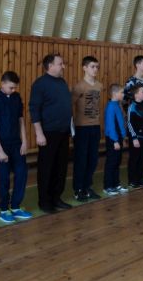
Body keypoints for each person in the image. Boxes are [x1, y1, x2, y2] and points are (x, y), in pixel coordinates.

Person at [29, 54, 73, 213]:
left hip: (63, 132)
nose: (63, 66)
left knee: (60, 167)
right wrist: (39, 133)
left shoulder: (62, 82)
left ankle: (56, 198)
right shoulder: (40, 84)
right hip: (48, 132)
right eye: (60, 64)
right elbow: (34, 110)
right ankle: (44, 201)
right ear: (50, 66)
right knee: (46, 168)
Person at [0, 71, 32, 223]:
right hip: (2, 144)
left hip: (16, 143)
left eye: (15, 88)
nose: (13, 90)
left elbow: (21, 120)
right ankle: (4, 209)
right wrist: (0, 151)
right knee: (4, 176)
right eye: (11, 87)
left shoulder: (16, 97)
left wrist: (24, 141)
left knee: (21, 172)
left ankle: (16, 206)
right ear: (3, 84)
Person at [71, 56, 103, 202]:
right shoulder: (79, 87)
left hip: (95, 126)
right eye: (92, 66)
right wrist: (72, 128)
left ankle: (87, 187)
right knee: (81, 159)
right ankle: (78, 189)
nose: (95, 69)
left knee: (93, 159)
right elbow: (70, 106)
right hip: (82, 128)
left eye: (97, 67)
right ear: (84, 68)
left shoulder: (99, 86)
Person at [103, 84, 129, 196]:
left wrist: (122, 137)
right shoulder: (110, 107)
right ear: (114, 94)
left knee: (117, 161)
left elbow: (120, 122)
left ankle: (116, 184)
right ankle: (108, 186)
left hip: (118, 138)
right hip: (112, 139)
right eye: (121, 92)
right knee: (111, 162)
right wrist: (115, 141)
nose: (123, 94)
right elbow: (110, 125)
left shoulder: (117, 105)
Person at [126, 84, 143, 188]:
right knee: (134, 159)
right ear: (136, 95)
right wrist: (134, 138)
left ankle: (141, 179)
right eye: (142, 92)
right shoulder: (132, 107)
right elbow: (129, 123)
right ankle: (132, 180)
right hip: (136, 138)